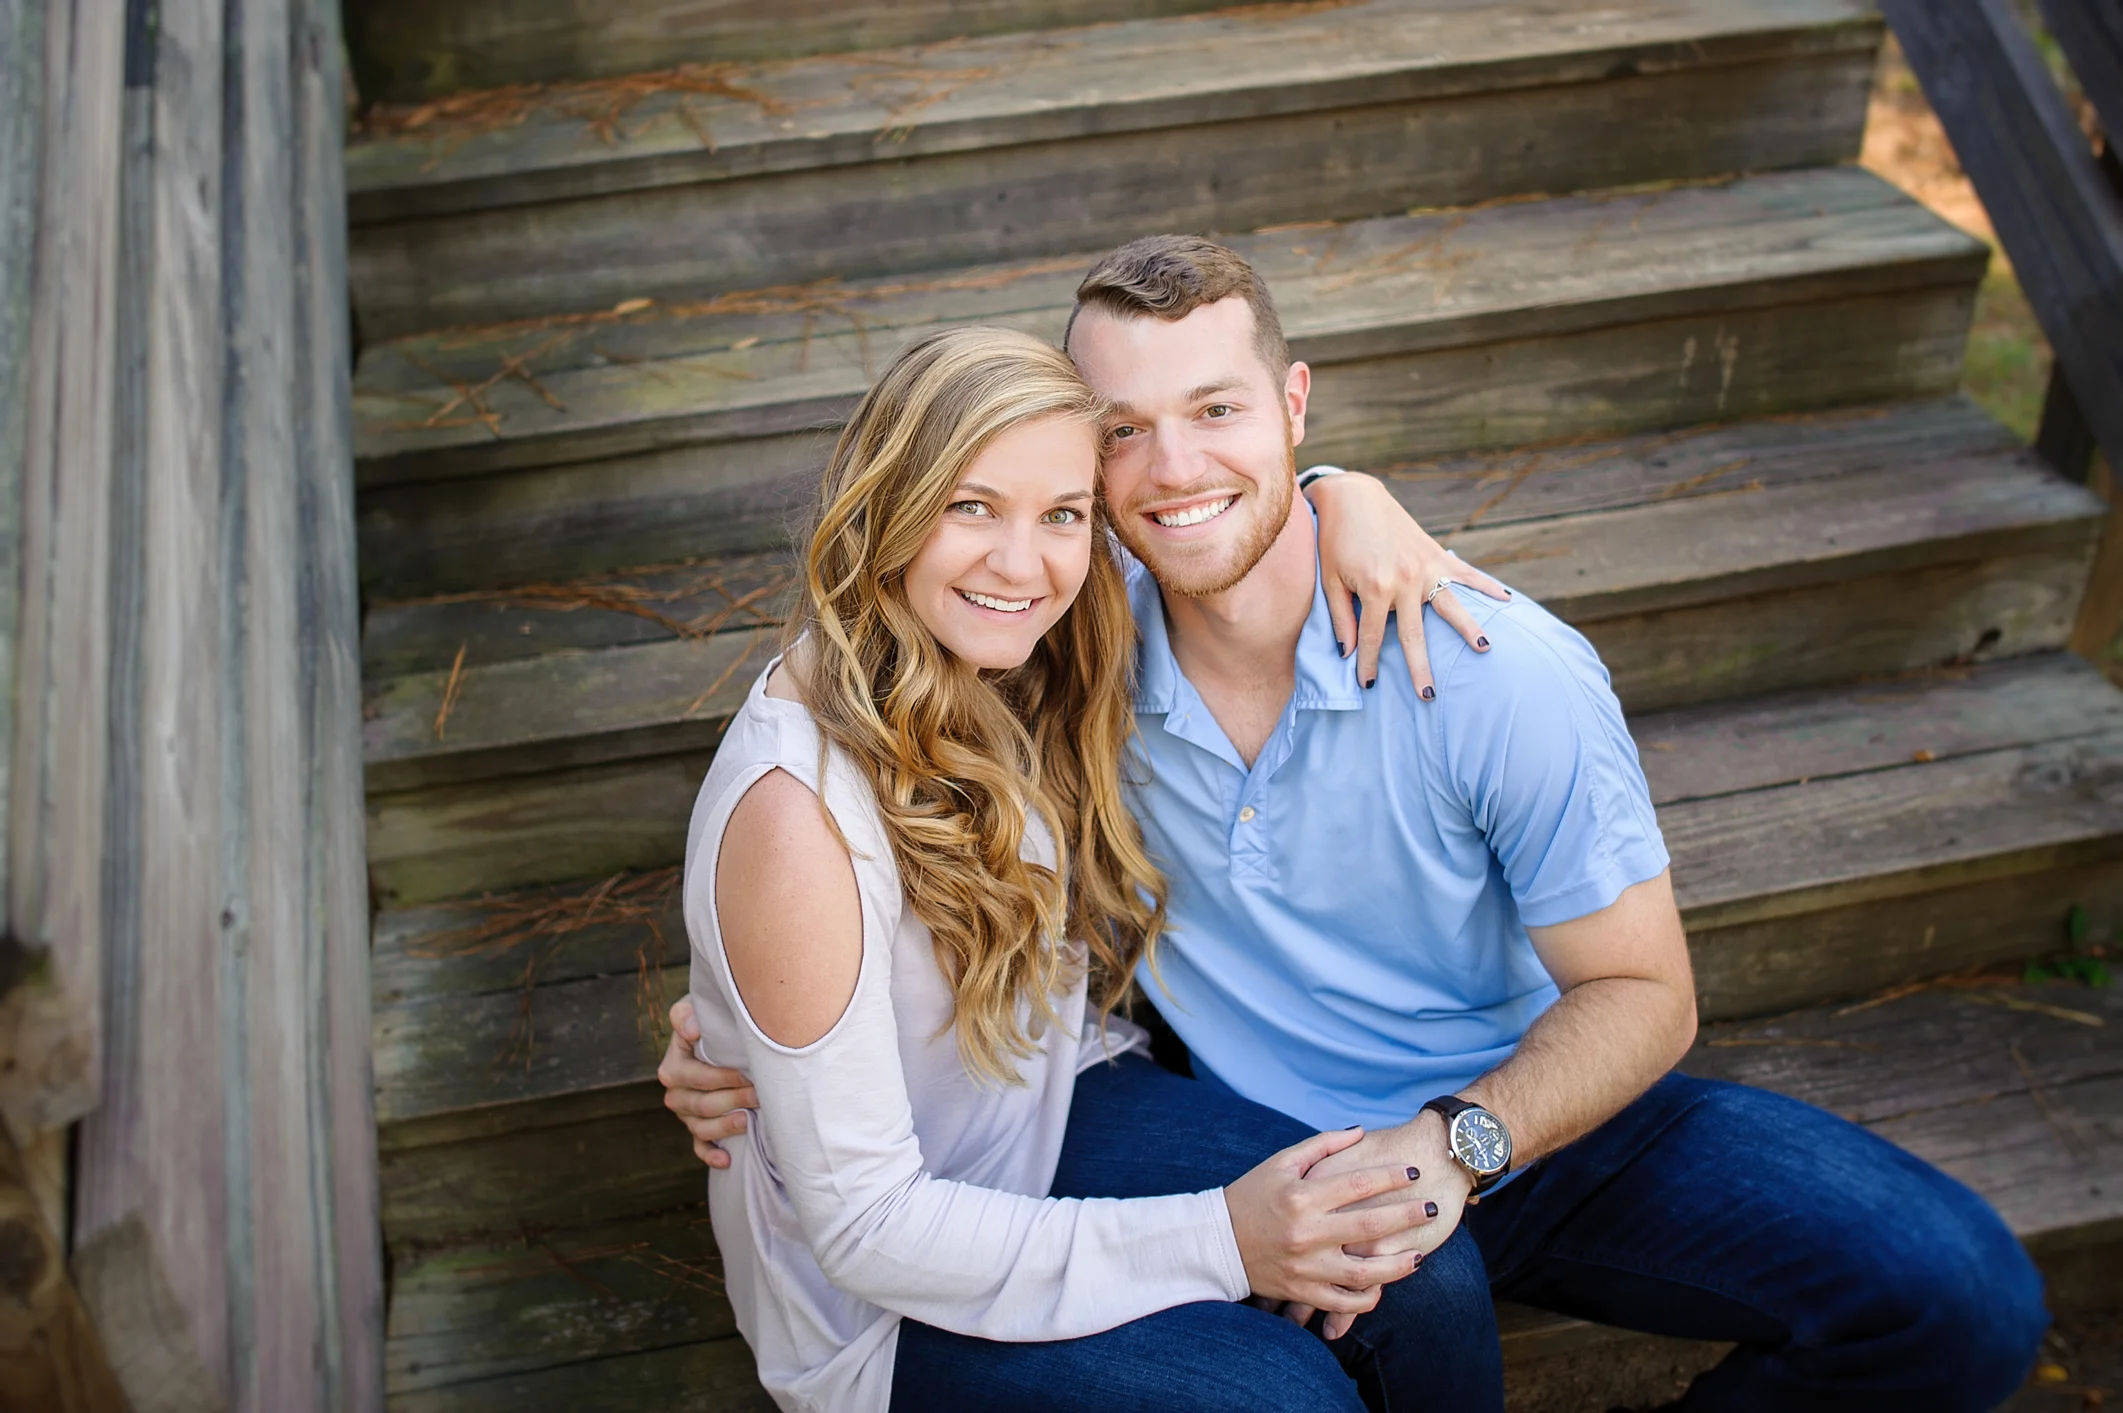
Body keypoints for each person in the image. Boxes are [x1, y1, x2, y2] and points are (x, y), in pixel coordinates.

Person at [665, 236, 2053, 1411]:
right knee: (1373, 1290)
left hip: (1515, 1114)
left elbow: (1641, 990)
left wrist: (1459, 1145)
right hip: (1230, 1126)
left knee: (1962, 1296)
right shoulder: (1070, 631)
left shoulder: (1493, 668)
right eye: (1123, 433)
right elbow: (835, 783)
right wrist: (736, 1019)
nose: (1167, 468)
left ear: (1294, 407)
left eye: (1216, 411)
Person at [686, 323, 1502, 1413]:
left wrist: (1337, 490)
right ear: (883, 499)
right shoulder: (797, 817)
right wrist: (1223, 1239)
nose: (1021, 564)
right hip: (883, 1297)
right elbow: (869, 1230)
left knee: (1412, 1256)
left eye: (1061, 515)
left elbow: (1210, 506)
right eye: (968, 506)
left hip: (1042, 1095)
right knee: (1277, 1398)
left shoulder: (1017, 640)